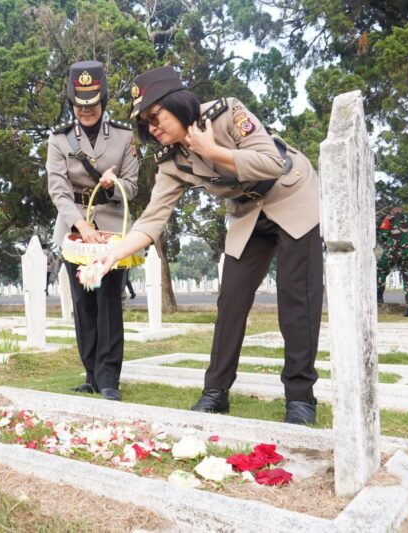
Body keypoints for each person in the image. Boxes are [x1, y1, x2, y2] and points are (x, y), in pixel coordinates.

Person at [98, 67, 322, 424]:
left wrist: (212, 150)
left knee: (296, 298)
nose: (153, 128)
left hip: (291, 195)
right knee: (231, 300)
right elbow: (154, 217)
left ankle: (300, 397)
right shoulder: (171, 161)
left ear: (177, 103)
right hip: (248, 210)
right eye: (146, 124)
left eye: (156, 117)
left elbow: (272, 163)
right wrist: (116, 252)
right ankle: (215, 392)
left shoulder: (226, 112)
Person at [47, 60, 139, 401]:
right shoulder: (58, 140)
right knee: (83, 304)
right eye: (80, 104)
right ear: (72, 102)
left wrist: (113, 185)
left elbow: (133, 187)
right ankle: (91, 374)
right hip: (75, 230)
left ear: (103, 101)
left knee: (109, 302)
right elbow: (57, 188)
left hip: (112, 229)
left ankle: (109, 376)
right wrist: (80, 225)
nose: (87, 110)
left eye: (93, 103)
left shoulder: (125, 137)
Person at [377, 207, 408, 317]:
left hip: (393, 251)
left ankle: (378, 297)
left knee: (381, 271)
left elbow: (383, 236)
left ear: (392, 212)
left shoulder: (389, 220)